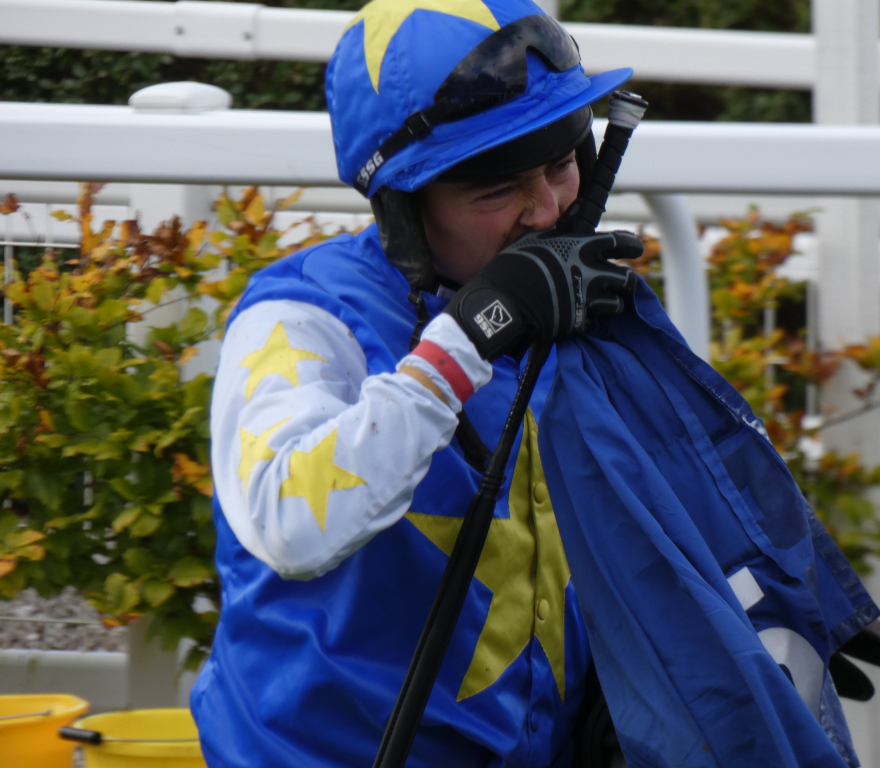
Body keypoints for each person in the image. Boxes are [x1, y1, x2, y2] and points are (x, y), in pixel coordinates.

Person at [189, 0, 642, 766]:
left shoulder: (576, 300)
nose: (547, 211)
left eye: (562, 164)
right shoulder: (298, 317)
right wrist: (466, 341)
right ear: (402, 208)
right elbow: (287, 520)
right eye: (497, 190)